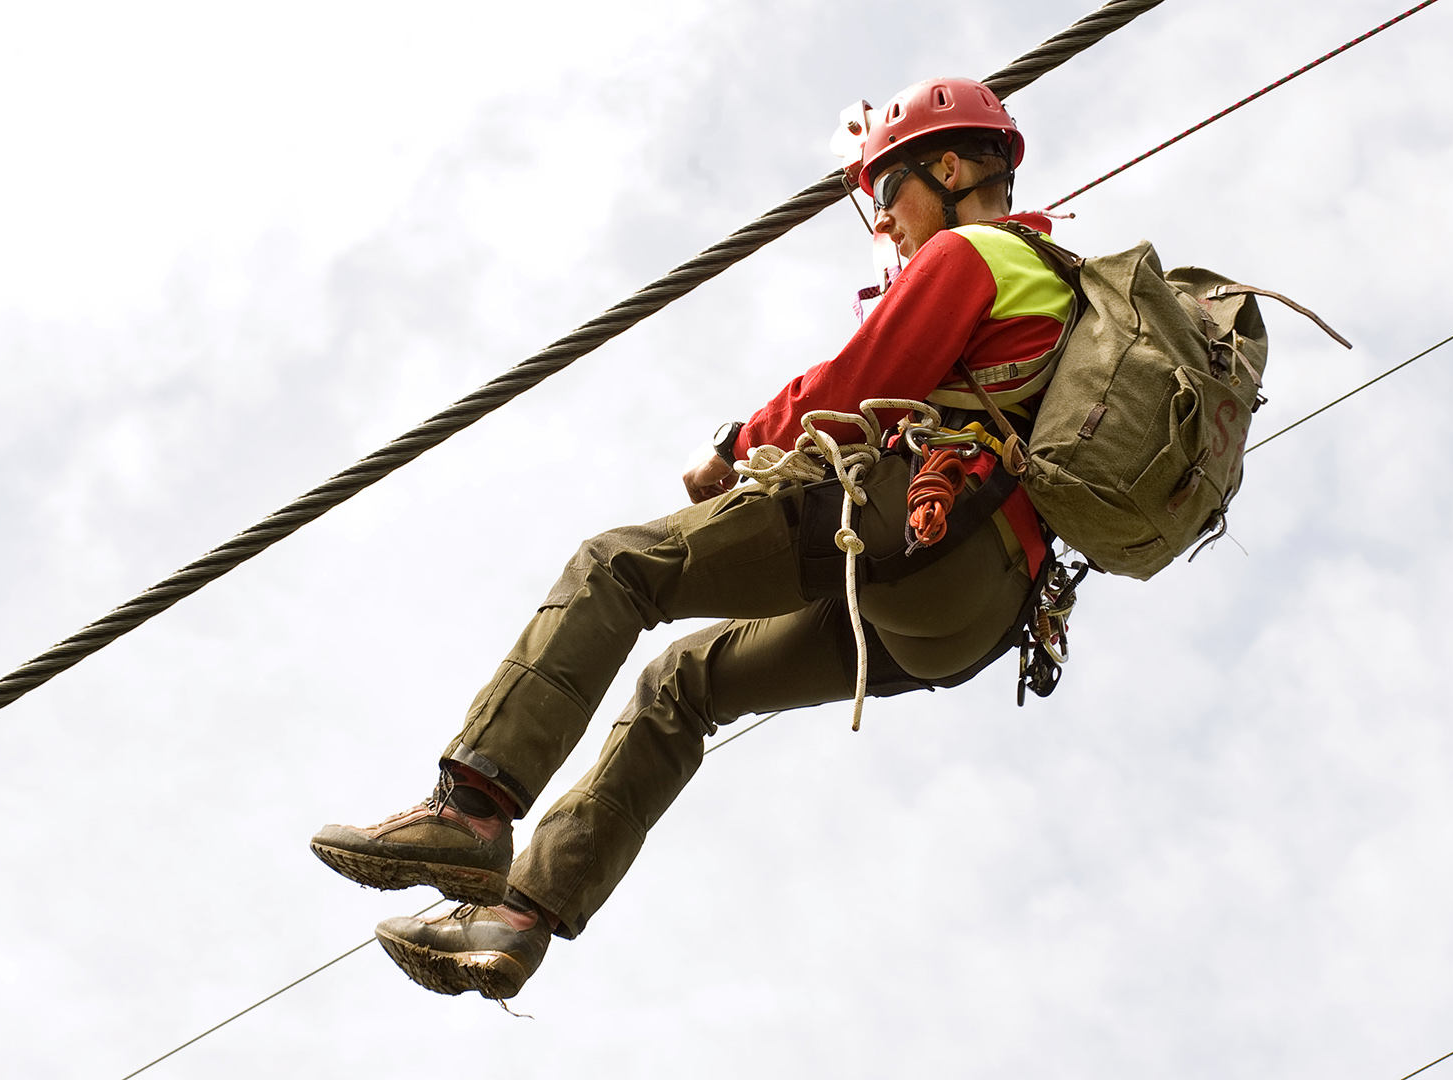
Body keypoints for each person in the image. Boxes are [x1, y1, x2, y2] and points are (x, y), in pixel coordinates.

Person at [310, 76, 1076, 999]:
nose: (888, 226)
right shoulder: (1055, 287)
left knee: (618, 567)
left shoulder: (972, 254)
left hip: (911, 530)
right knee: (683, 683)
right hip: (974, 618)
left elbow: (850, 385)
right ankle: (518, 920)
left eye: (887, 195)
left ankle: (472, 806)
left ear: (948, 168)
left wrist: (737, 445)